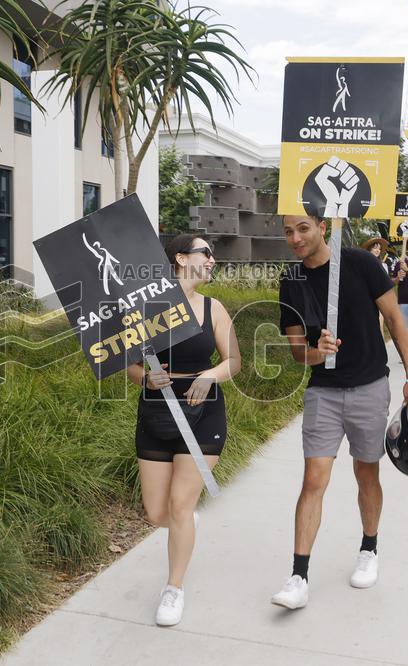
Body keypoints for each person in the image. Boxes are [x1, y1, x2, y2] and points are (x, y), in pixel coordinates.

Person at [272, 215, 408, 610]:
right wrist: (316, 351)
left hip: (369, 386)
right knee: (313, 480)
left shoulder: (361, 263)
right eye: (288, 231)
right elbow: (297, 353)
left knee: (366, 472)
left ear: (323, 227)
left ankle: (369, 549)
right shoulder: (292, 279)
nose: (295, 238)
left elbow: (395, 320)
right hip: (323, 391)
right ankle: (298, 577)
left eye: (303, 228)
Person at [126, 234, 241, 627]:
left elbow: (233, 361)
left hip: (202, 412)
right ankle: (185, 521)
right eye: (205, 253)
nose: (212, 260)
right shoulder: (147, 308)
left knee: (178, 505)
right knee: (158, 513)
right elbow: (130, 365)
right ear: (180, 258)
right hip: (156, 413)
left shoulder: (213, 308)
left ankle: (173, 588)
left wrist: (209, 376)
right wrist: (146, 377)